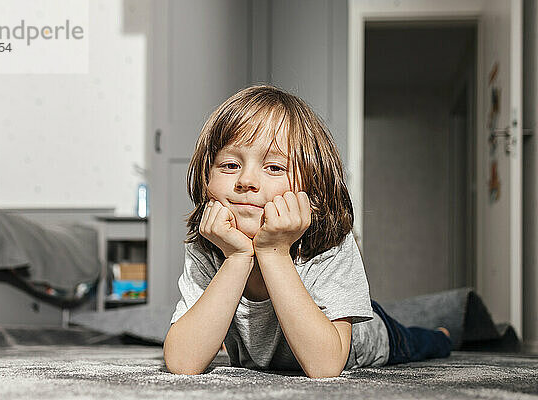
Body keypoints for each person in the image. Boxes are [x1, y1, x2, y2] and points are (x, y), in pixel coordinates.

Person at [163, 84, 452, 378]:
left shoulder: (331, 242)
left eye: (274, 168)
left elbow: (325, 366)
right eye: (229, 164)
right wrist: (237, 258)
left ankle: (441, 334)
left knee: (415, 341)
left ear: (312, 189)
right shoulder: (209, 243)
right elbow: (182, 363)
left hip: (369, 338)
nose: (246, 180)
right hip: (272, 346)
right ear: (206, 180)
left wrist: (273, 252)